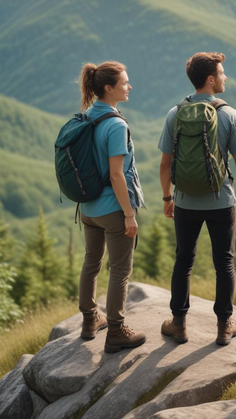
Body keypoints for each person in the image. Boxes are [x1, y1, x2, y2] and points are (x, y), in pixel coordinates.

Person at [158, 52, 236, 346]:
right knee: (223, 262)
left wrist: (167, 197)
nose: (225, 78)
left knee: (183, 260)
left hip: (184, 200)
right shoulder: (228, 114)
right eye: (222, 73)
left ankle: (178, 323)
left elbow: (165, 164)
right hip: (221, 201)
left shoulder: (175, 113)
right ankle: (225, 325)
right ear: (211, 80)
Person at [77, 61, 146, 354]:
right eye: (125, 83)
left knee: (91, 262)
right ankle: (116, 331)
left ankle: (90, 320)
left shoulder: (87, 116)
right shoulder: (116, 124)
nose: (129, 87)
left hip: (88, 207)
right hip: (111, 208)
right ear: (109, 88)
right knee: (119, 270)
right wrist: (129, 214)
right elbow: (117, 174)